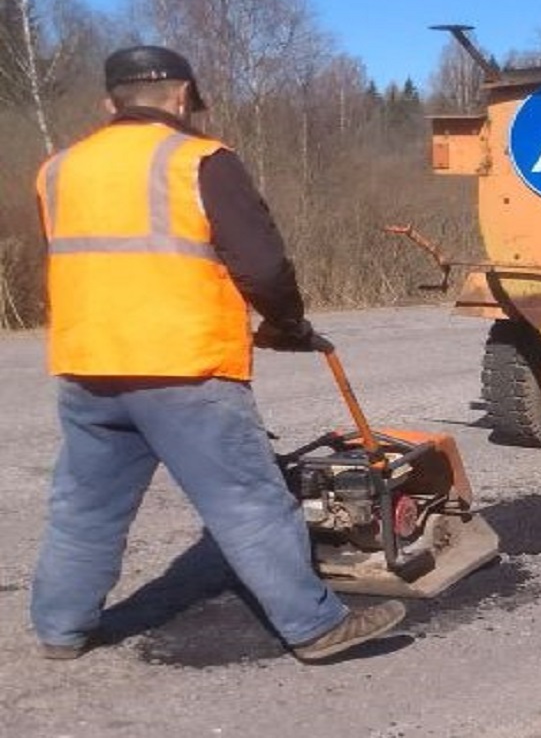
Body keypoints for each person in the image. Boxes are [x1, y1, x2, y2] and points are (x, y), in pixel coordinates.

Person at [30, 45, 405, 661]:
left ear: (109, 103)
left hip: (88, 365)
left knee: (85, 509)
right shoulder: (200, 160)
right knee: (247, 502)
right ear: (182, 97)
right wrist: (288, 323)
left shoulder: (58, 169)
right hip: (185, 368)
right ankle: (314, 627)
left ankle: (60, 630)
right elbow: (260, 262)